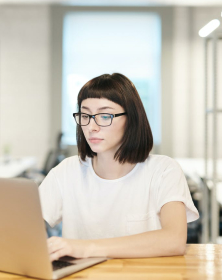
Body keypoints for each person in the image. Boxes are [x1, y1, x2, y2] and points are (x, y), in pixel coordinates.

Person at [39, 73, 199, 261]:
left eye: (105, 115)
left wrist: (86, 248)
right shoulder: (66, 171)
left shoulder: (164, 170)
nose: (92, 127)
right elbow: (20, 226)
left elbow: (174, 240)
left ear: (131, 119)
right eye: (85, 115)